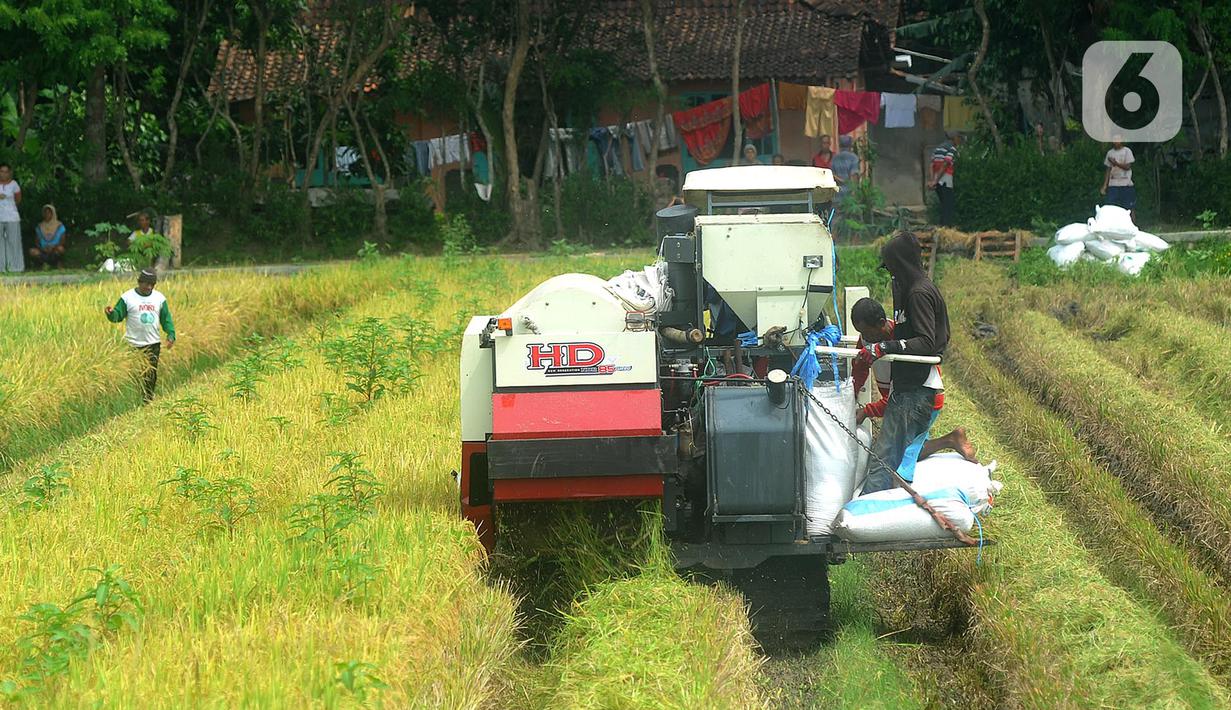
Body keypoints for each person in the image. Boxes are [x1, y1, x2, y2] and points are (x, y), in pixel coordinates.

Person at [857, 232, 951, 494]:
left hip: (916, 389)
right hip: (908, 386)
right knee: (893, 454)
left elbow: (926, 342)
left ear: (902, 264)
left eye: (891, 268)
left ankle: (866, 510)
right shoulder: (906, 289)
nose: (890, 275)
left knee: (885, 456)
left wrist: (883, 347)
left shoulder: (919, 293)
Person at [850, 297, 974, 462]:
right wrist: (851, 394)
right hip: (899, 400)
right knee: (907, 449)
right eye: (861, 333)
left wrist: (867, 411)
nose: (865, 337)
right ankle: (952, 439)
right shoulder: (867, 339)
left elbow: (901, 396)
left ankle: (951, 440)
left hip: (921, 398)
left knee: (899, 454)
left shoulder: (902, 339)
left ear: (881, 323)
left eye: (867, 332)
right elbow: (860, 368)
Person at [105, 269, 176, 403]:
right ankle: (135, 398)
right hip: (133, 344)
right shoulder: (127, 297)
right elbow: (117, 316)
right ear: (139, 282)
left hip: (153, 342)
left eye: (152, 285)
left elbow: (166, 318)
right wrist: (110, 313)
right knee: (135, 373)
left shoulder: (159, 298)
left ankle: (148, 399)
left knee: (151, 373)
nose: (149, 287)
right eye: (146, 284)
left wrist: (171, 334)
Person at [1101, 135, 1136, 223]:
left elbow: (1128, 166)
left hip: (1126, 184)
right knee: (1110, 207)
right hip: (1113, 184)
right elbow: (1108, 170)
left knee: (1129, 207)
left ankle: (1133, 226)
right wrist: (1105, 185)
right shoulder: (1110, 153)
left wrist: (1115, 163)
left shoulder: (1127, 151)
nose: (1116, 141)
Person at [929, 131, 961, 226]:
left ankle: (941, 227)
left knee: (943, 205)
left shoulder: (938, 148)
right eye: (958, 137)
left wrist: (933, 180)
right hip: (945, 179)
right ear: (954, 138)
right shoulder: (951, 149)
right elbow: (945, 164)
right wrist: (936, 180)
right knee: (948, 205)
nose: (959, 140)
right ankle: (946, 228)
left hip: (937, 179)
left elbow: (931, 165)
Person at [0, 163, 23, 273]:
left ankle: (16, 267)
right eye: (1, 171)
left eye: (6, 171)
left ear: (9, 173)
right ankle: (2, 267)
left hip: (12, 217)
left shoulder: (14, 184)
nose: (3, 174)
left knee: (13, 242)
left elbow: (18, 199)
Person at [28, 204, 66, 269]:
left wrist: (53, 247)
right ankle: (43, 264)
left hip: (55, 249)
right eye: (45, 212)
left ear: (53, 213)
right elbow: (37, 242)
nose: (47, 214)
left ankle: (58, 263)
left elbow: (63, 241)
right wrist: (42, 248)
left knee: (61, 249)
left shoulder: (59, 226)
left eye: (49, 212)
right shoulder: (39, 226)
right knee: (32, 251)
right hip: (43, 250)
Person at [830, 135, 861, 202]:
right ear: (850, 146)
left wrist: (840, 180)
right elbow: (854, 176)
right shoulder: (854, 158)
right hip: (849, 196)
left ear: (839, 145)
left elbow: (832, 175)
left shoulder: (834, 158)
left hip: (837, 195)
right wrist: (854, 192)